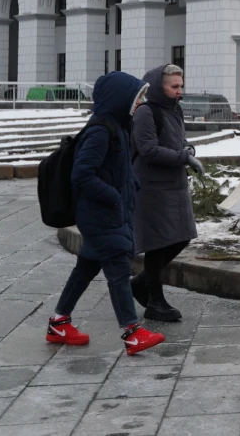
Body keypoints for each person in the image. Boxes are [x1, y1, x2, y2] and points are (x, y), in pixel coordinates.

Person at [46, 71, 167, 356]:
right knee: (118, 271)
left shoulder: (117, 126)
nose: (140, 102)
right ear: (121, 97)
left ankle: (59, 322)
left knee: (86, 268)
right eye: (137, 97)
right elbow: (82, 175)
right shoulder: (101, 131)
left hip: (106, 213)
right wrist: (113, 197)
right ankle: (132, 332)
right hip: (101, 215)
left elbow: (116, 169)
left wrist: (131, 186)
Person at [130, 64, 204, 322]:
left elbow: (178, 140)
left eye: (181, 86)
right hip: (152, 187)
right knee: (158, 242)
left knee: (182, 236)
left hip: (174, 184)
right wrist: (184, 157)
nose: (179, 91)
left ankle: (141, 283)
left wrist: (188, 149)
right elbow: (148, 150)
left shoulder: (175, 109)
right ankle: (155, 300)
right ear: (159, 87)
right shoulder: (146, 112)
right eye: (174, 86)